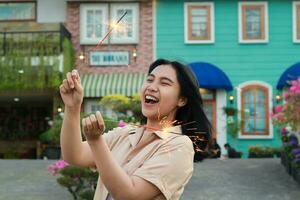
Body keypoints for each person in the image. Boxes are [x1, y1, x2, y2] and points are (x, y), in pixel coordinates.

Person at [59, 59, 212, 200]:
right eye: (150, 80)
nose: (152, 87)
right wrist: (72, 107)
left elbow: (129, 194)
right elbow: (74, 155)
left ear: (182, 99)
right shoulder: (125, 133)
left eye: (164, 83)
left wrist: (96, 141)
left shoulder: (179, 146)